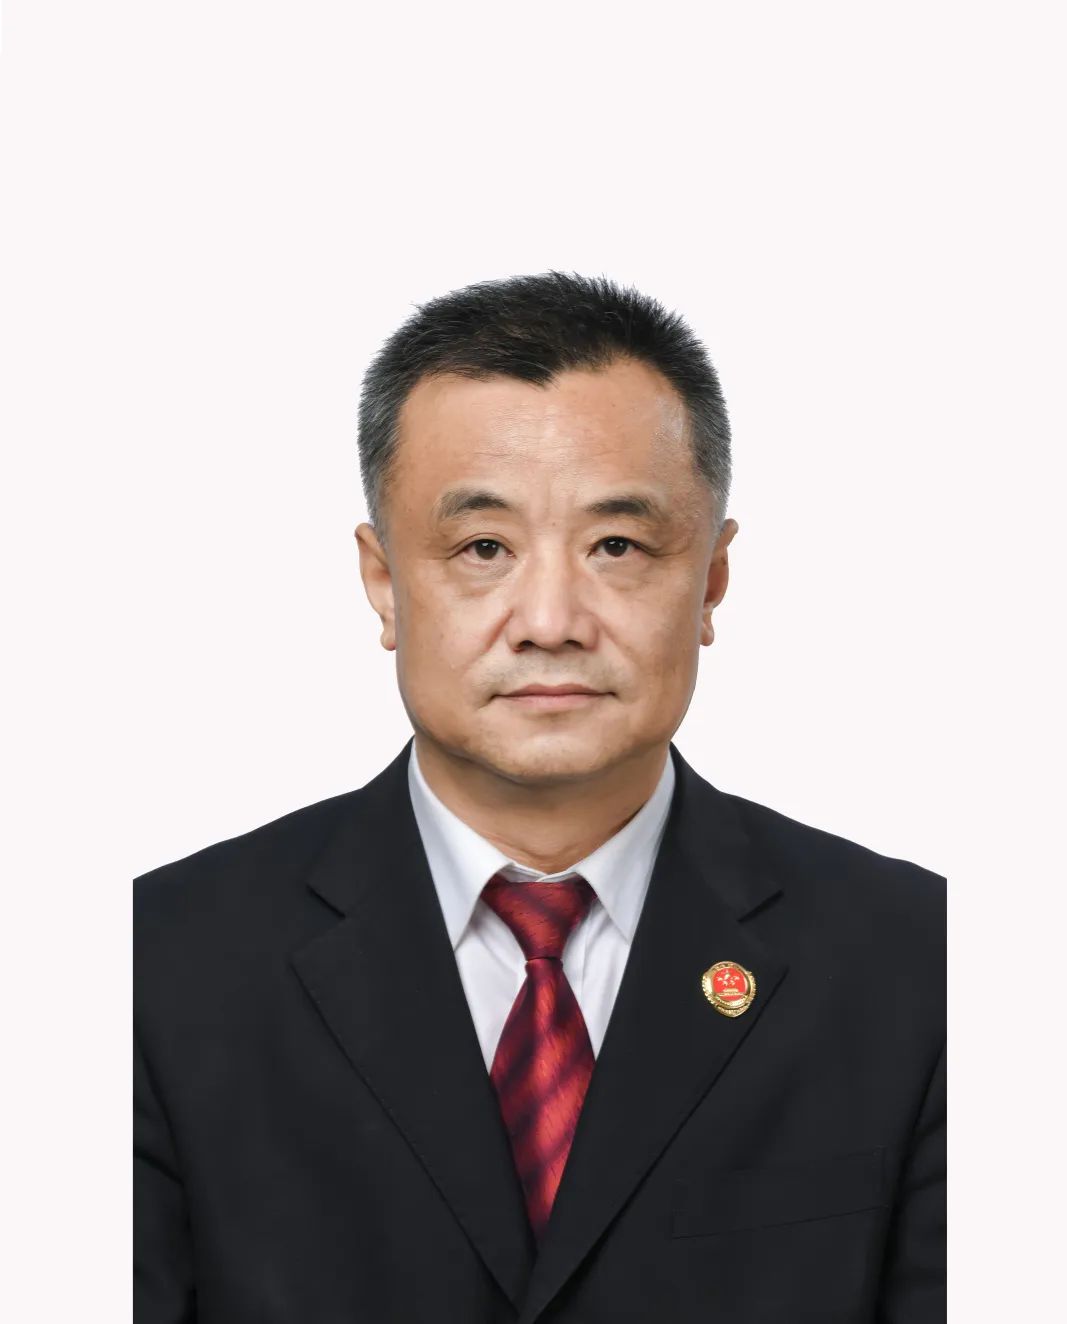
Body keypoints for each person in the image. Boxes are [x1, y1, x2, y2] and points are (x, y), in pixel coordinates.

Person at [134, 271, 945, 1323]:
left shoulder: (922, 966)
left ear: (710, 581)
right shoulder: (152, 968)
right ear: (384, 583)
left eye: (618, 546)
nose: (551, 621)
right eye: (484, 549)